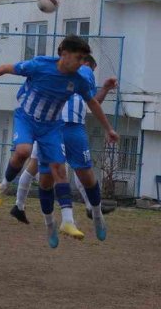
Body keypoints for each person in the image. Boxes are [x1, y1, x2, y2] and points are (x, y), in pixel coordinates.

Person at [0, 35, 119, 248]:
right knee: (23, 152)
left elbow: (93, 103)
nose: (81, 63)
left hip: (52, 127)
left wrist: (109, 128)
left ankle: (67, 222)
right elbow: (5, 68)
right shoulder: (40, 64)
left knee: (60, 171)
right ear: (64, 54)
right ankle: (3, 186)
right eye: (78, 58)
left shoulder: (79, 79)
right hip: (27, 119)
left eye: (84, 59)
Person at [11, 55, 118, 229]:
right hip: (52, 126)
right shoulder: (78, 73)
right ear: (85, 63)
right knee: (38, 167)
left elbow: (91, 102)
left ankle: (20, 206)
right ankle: (21, 206)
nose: (91, 72)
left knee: (43, 167)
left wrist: (105, 88)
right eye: (92, 68)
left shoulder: (75, 79)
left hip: (56, 126)